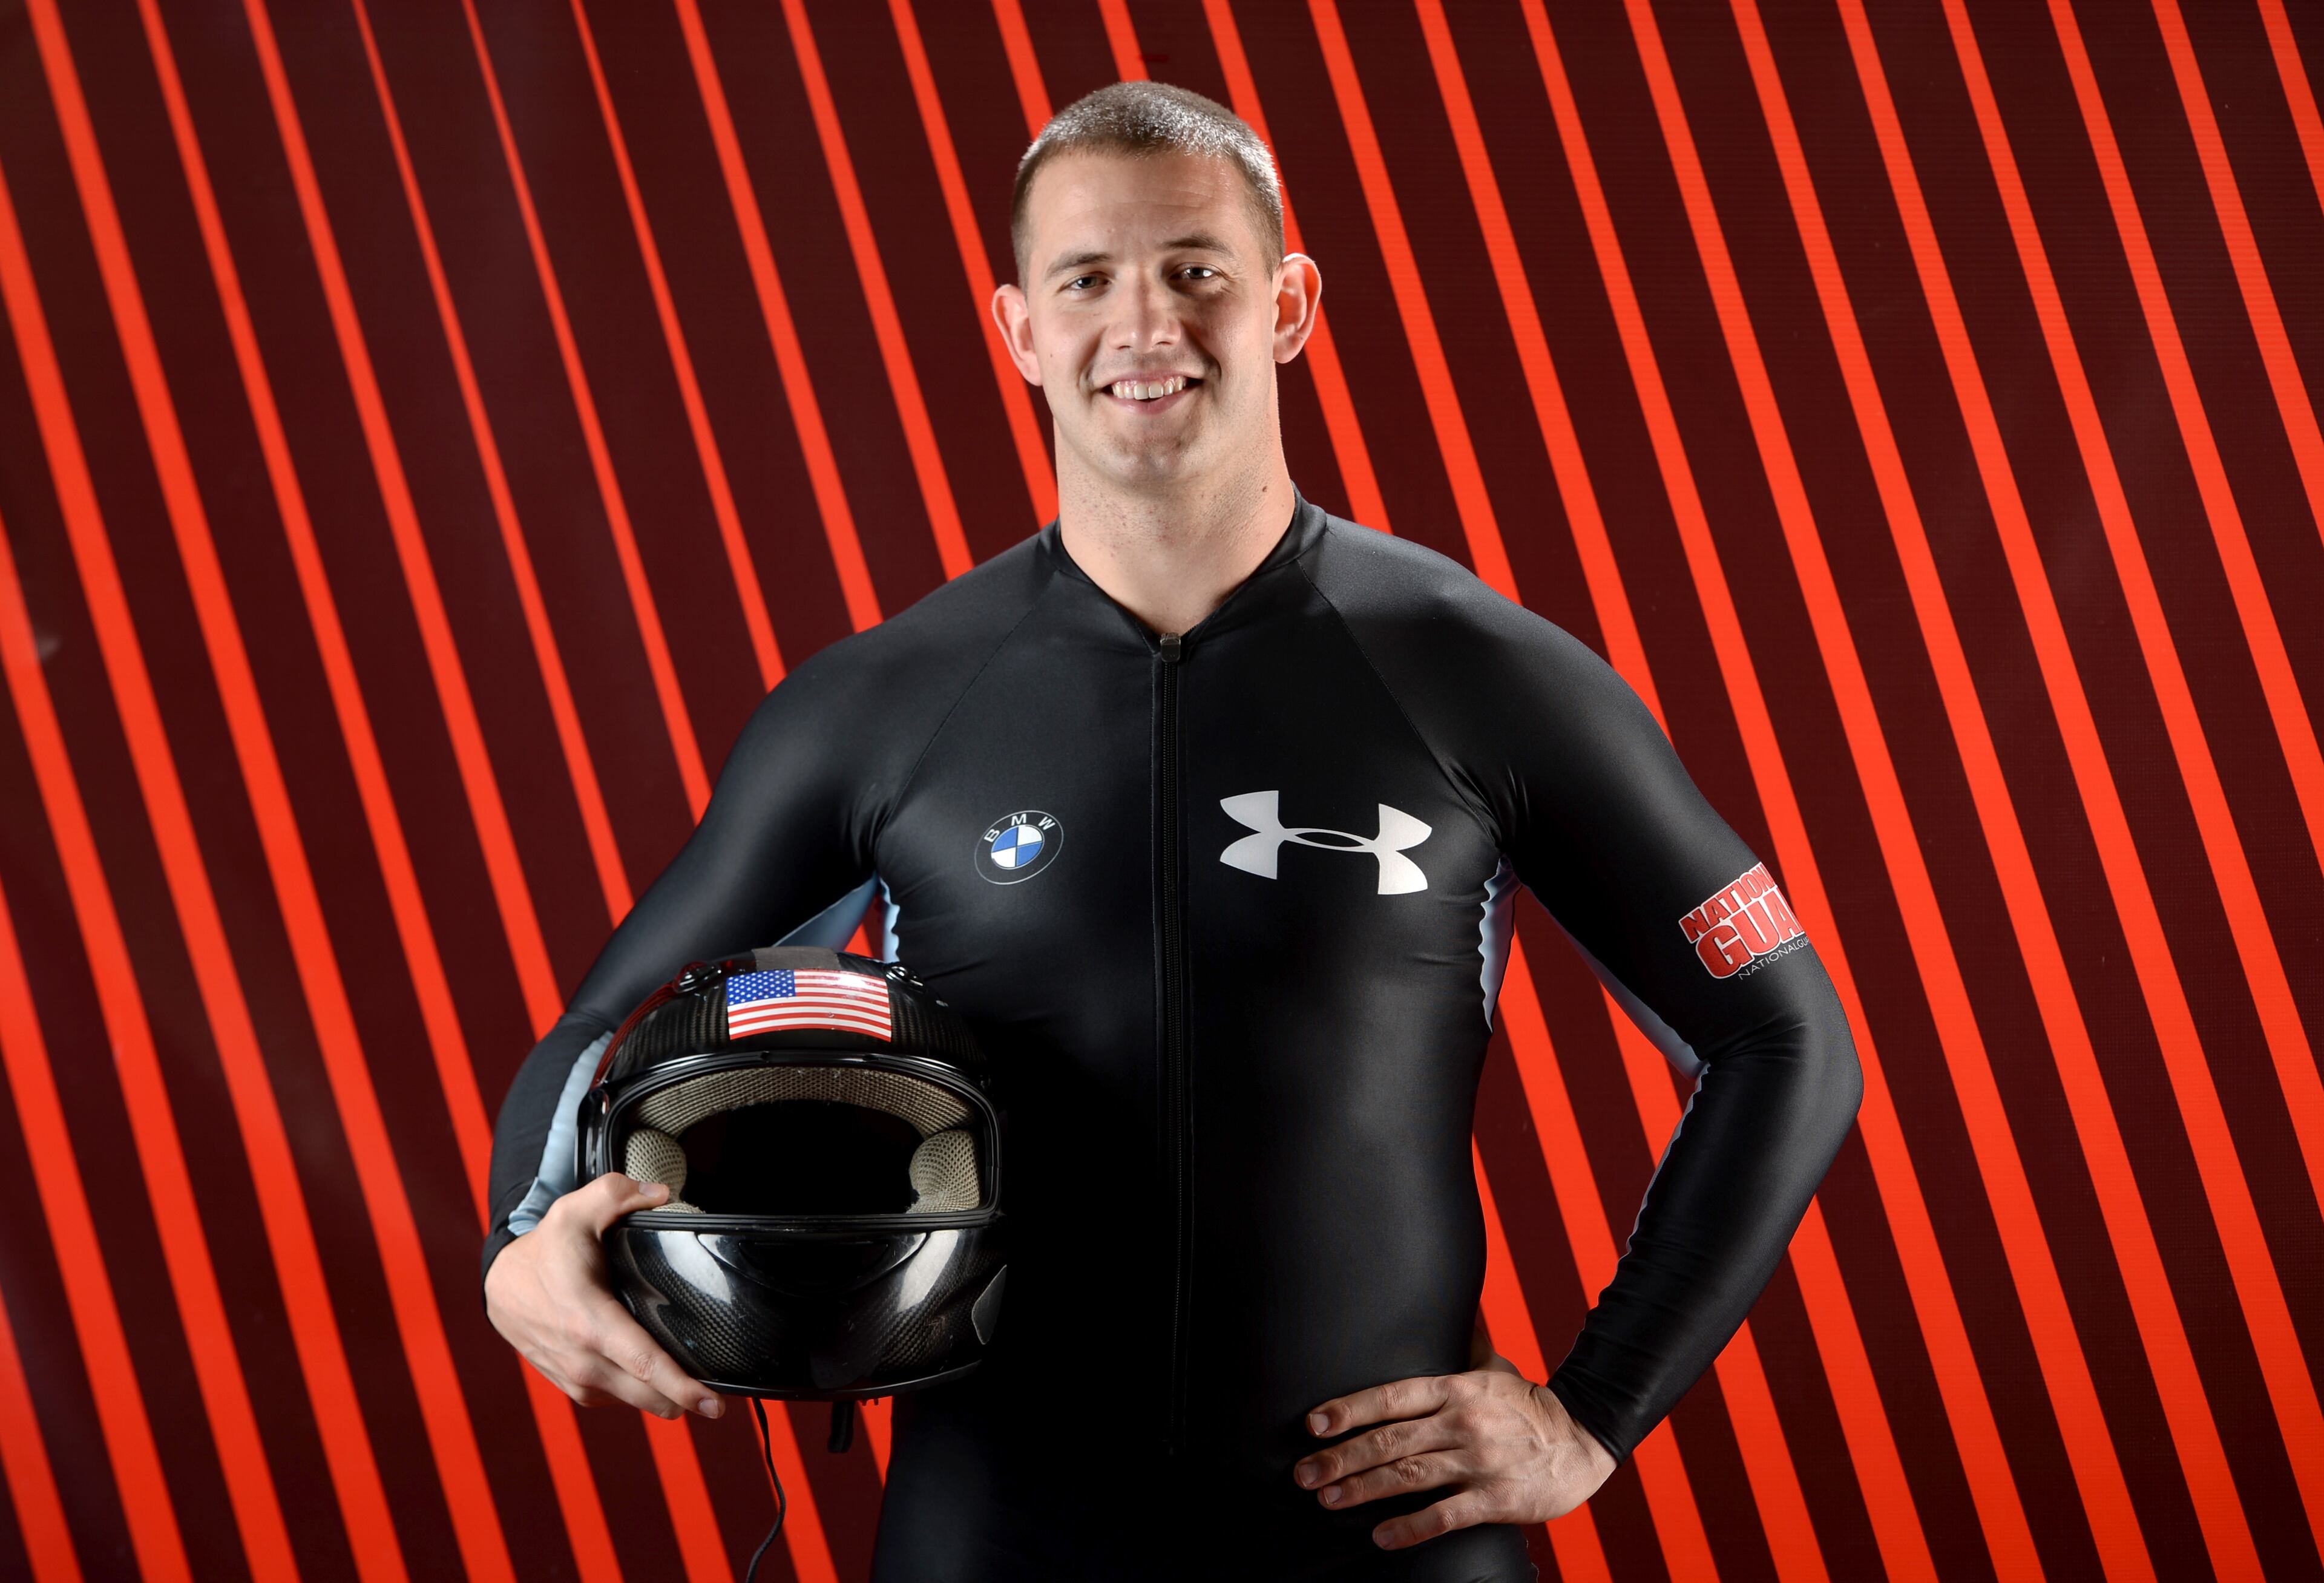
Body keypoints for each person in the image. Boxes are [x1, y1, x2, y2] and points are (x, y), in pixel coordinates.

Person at [483, 81, 1861, 1581]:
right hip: (994, 1535)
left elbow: (1786, 1036)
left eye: (1197, 270)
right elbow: (609, 1024)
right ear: (1020, 331)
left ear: (1287, 304)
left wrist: (1592, 1412)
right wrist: (521, 1247)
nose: (1145, 326)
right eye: (1088, 279)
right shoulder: (883, 705)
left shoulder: (1482, 672)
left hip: (1387, 1541)